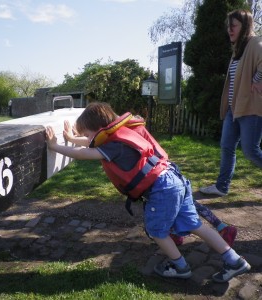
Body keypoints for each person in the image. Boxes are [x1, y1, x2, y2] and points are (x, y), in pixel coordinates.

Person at [46, 102, 250, 282]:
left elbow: (84, 153)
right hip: (174, 178)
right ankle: (234, 260)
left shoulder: (113, 145)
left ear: (99, 129)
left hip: (162, 188)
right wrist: (72, 138)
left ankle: (180, 267)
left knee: (157, 232)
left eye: (88, 134)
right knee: (195, 225)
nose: (88, 138)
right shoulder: (121, 135)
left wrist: (55, 146)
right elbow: (90, 143)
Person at [200, 9, 262, 197]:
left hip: (251, 108)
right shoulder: (238, 49)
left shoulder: (255, 43)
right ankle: (221, 186)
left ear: (245, 26)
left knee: (250, 151)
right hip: (233, 109)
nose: (229, 29)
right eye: (229, 26)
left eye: (233, 25)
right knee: (227, 146)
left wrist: (258, 79)